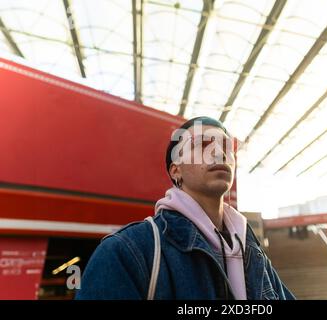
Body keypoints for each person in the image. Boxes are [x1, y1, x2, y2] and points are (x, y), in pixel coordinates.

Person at [76, 116, 295, 300]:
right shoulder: (128, 251)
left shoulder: (252, 251)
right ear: (175, 171)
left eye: (226, 147)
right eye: (202, 145)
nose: (219, 153)